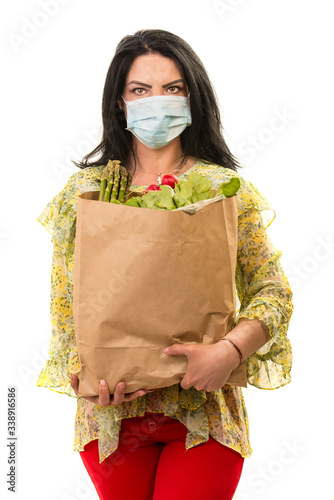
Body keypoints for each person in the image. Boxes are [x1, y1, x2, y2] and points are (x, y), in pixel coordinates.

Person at [37, 29, 293, 500]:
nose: (158, 101)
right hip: (112, 419)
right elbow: (64, 304)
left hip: (204, 411)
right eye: (141, 90)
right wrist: (84, 373)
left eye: (173, 88)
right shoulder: (85, 194)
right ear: (120, 101)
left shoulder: (224, 190)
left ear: (193, 97)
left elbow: (273, 290)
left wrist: (230, 352)